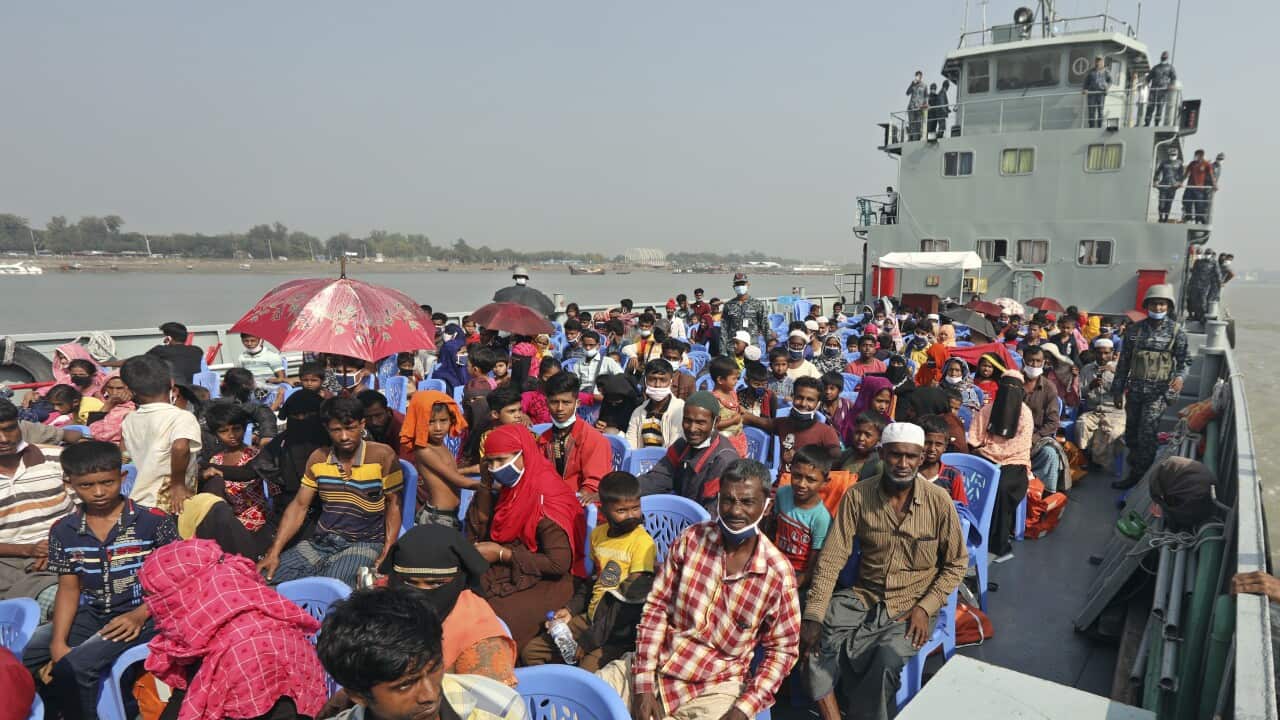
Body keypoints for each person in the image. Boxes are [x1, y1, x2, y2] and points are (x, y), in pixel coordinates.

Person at [598, 459, 801, 720]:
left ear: (766, 506)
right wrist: (643, 686)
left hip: (715, 686)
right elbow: (656, 609)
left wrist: (743, 709)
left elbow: (782, 651)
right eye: (727, 500)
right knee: (586, 702)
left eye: (747, 502)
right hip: (658, 663)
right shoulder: (690, 540)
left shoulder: (778, 574)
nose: (735, 511)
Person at [801, 422, 966, 720]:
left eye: (911, 456)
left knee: (886, 659)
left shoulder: (938, 501)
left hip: (912, 604)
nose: (903, 463)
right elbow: (832, 558)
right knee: (814, 639)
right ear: (882, 454)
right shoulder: (858, 496)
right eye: (895, 455)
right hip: (864, 595)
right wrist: (814, 614)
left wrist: (925, 607)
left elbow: (956, 564)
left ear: (920, 458)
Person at [24, 441, 179, 720]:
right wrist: (58, 643)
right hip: (94, 612)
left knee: (77, 666)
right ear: (69, 484)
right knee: (20, 653)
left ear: (122, 477)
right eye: (86, 485)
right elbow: (69, 589)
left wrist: (141, 613)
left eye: (107, 482)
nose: (98, 492)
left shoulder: (153, 521)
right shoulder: (63, 531)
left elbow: (180, 579)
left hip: (148, 614)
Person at [139, 538, 327, 720]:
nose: (151, 606)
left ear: (186, 593)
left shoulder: (248, 651)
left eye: (155, 596)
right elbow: (184, 694)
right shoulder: (205, 628)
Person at [316, 587, 527, 720]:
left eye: (434, 668)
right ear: (358, 695)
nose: (430, 695)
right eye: (405, 685)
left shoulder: (499, 709)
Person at [258, 397, 404, 587]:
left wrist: (387, 551)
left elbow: (394, 504)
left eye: (350, 428)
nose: (344, 437)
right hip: (321, 542)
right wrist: (274, 551)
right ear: (327, 429)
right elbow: (299, 506)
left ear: (362, 424)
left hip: (364, 543)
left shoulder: (382, 455)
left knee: (330, 586)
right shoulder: (318, 458)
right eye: (336, 430)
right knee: (262, 578)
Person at [465, 425, 586, 649]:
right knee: (464, 592)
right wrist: (485, 483)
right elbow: (481, 530)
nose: (495, 468)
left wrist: (503, 554)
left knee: (497, 617)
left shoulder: (545, 497)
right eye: (490, 462)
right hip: (519, 565)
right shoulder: (512, 488)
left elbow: (558, 563)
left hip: (555, 579)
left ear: (524, 454)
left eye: (501, 460)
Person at [522, 471, 657, 671]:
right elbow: (594, 580)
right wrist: (570, 610)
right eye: (622, 510)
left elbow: (629, 606)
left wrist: (587, 642)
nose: (631, 516)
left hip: (618, 632)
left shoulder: (643, 543)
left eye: (635, 508)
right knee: (532, 652)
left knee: (586, 672)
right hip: (591, 619)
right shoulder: (598, 535)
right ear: (604, 509)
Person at [380, 525, 517, 684]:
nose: (421, 593)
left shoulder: (481, 640)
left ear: (460, 580)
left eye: (436, 583)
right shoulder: (383, 607)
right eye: (410, 583)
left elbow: (491, 697)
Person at [1111, 284, 1190, 489]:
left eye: (1162, 304)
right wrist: (1118, 391)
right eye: (1154, 303)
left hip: (1158, 394)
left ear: (1168, 306)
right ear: (1147, 305)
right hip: (1135, 391)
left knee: (1147, 434)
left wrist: (1180, 378)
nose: (1158, 307)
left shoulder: (1176, 332)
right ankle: (1135, 466)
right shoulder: (1134, 330)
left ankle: (1140, 478)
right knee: (1131, 433)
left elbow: (1185, 361)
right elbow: (1124, 363)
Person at [0, 398, 73, 615]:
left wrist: (60, 546)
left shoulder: (56, 458)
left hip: (64, 549)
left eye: (9, 429)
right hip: (6, 561)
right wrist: (27, 550)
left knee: (59, 600)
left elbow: (90, 511)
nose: (4, 439)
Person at [120, 354, 203, 513]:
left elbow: (128, 453)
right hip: (168, 500)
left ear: (129, 390)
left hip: (140, 498)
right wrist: (178, 484)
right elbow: (180, 447)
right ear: (171, 383)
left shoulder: (129, 420)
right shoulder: (181, 416)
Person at [637, 392, 741, 513]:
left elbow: (713, 511)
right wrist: (625, 490)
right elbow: (657, 478)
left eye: (700, 423)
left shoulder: (723, 461)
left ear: (716, 422)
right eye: (687, 421)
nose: (692, 429)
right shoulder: (682, 444)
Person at [968, 370, 1034, 560]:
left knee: (1003, 487)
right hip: (986, 454)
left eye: (1014, 387)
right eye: (1006, 386)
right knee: (971, 482)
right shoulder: (987, 410)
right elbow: (975, 436)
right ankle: (972, 532)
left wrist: (996, 454)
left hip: (1014, 460)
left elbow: (1020, 445)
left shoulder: (1025, 414)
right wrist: (985, 451)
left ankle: (997, 541)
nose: (1009, 391)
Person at [199, 401, 274, 549]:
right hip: (228, 520)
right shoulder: (215, 460)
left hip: (256, 521)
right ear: (215, 434)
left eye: (236, 429)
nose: (231, 435)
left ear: (244, 428)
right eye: (223, 431)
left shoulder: (256, 456)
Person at [401, 390, 478, 528]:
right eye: (430, 422)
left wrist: (472, 469)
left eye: (443, 421)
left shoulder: (440, 444)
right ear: (420, 423)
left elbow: (448, 473)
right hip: (438, 518)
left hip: (448, 515)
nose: (438, 428)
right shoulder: (424, 450)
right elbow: (457, 480)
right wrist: (490, 486)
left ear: (451, 420)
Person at [537, 372, 611, 504]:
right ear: (546, 403)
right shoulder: (543, 438)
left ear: (577, 403)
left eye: (566, 402)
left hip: (579, 506)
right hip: (548, 500)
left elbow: (593, 485)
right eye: (554, 402)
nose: (560, 408)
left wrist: (573, 502)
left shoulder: (594, 439)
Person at [751, 377, 840, 481]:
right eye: (799, 398)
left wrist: (803, 459)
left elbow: (836, 458)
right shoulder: (783, 423)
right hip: (781, 483)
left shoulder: (826, 432)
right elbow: (763, 422)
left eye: (810, 400)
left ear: (818, 404)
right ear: (793, 398)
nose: (803, 404)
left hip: (806, 486)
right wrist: (743, 414)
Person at [772, 445, 833, 590]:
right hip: (776, 562)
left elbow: (813, 565)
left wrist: (795, 584)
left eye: (810, 480)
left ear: (825, 482)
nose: (801, 484)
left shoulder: (822, 518)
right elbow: (771, 528)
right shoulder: (782, 494)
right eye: (797, 476)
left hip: (798, 574)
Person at [1019, 346, 1065, 494]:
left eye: (1038, 361)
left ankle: (1045, 495)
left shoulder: (1049, 387)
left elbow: (1053, 422)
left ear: (1043, 363)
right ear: (1023, 361)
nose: (1034, 364)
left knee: (1050, 454)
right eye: (1030, 361)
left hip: (1036, 438)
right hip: (1013, 436)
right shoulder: (1014, 382)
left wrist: (1033, 438)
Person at [1078, 338, 1126, 467]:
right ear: (1094, 353)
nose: (1102, 357)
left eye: (1106, 353)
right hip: (1093, 411)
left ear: (1112, 353)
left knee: (1113, 433)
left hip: (1115, 412)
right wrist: (1090, 386)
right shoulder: (1087, 369)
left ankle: (1099, 461)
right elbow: (1079, 393)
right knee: (1082, 424)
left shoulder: (1121, 369)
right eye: (1099, 353)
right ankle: (1085, 457)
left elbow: (1129, 388)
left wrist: (1115, 373)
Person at [626, 359, 686, 450]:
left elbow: (674, 448)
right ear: (645, 381)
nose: (657, 385)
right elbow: (631, 444)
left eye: (663, 380)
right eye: (652, 379)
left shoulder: (679, 409)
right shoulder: (639, 412)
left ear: (671, 381)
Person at [219, 367, 279, 446]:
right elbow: (265, 413)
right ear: (246, 386)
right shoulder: (248, 403)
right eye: (253, 381)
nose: (255, 383)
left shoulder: (217, 403)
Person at [918, 415, 968, 504]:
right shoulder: (910, 471)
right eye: (927, 443)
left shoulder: (952, 475)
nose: (932, 449)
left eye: (938, 444)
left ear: (945, 447)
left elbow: (960, 508)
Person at [720, 273, 770, 357]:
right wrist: (722, 350)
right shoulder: (728, 305)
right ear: (734, 287)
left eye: (742, 283)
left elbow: (765, 326)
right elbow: (723, 329)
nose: (740, 286)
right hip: (733, 348)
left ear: (748, 284)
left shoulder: (757, 304)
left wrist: (769, 344)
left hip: (752, 347)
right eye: (737, 284)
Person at [708, 356, 748, 457]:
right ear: (720, 380)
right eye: (734, 379)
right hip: (724, 443)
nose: (736, 381)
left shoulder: (732, 393)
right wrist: (732, 421)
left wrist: (740, 408)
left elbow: (734, 406)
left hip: (738, 438)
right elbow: (713, 425)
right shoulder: (714, 400)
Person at [86, 373, 135, 445]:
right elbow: (89, 429)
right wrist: (107, 405)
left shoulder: (136, 407)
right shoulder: (99, 402)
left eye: (119, 388)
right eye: (110, 388)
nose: (114, 392)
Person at [574, 331, 624, 396]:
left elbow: (621, 377)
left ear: (598, 345)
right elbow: (574, 383)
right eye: (585, 345)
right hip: (583, 396)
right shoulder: (578, 363)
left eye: (591, 345)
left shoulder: (608, 361)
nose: (588, 348)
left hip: (603, 395)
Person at [1183, 149, 1219, 224]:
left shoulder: (1206, 164)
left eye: (1196, 155)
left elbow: (1211, 175)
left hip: (1199, 189)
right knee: (1186, 202)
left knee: (1199, 205)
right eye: (1195, 155)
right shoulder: (1192, 163)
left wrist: (1214, 185)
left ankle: (1198, 219)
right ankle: (1188, 217)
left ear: (1201, 156)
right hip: (1190, 187)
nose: (1195, 157)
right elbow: (1186, 174)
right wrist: (1180, 182)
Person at [1145, 50, 1176, 126]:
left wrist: (1171, 85)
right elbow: (1148, 78)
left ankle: (1157, 123)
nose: (1163, 57)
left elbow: (1174, 78)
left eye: (1165, 56)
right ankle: (1147, 123)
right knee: (1150, 108)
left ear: (1167, 58)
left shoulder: (1170, 68)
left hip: (1163, 91)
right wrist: (1146, 84)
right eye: (1163, 56)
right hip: (1153, 90)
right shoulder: (1155, 68)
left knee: (1160, 108)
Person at [1153, 148, 1184, 223]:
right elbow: (1158, 172)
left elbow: (1181, 175)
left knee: (1168, 204)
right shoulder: (1164, 162)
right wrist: (1156, 181)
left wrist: (1179, 183)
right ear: (1169, 154)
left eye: (1174, 154)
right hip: (1163, 185)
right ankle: (1160, 217)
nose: (1173, 156)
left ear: (1177, 155)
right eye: (1171, 154)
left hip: (1172, 187)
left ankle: (1166, 218)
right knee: (1161, 204)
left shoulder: (1179, 163)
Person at [1082, 56, 1112, 128]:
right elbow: (1086, 82)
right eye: (1097, 61)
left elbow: (1110, 81)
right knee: (1091, 111)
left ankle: (1099, 126)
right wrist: (1085, 89)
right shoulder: (1090, 72)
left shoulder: (1106, 72)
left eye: (1100, 61)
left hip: (1101, 93)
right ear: (1095, 62)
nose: (1099, 63)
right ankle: (1091, 127)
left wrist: (1107, 87)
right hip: (1091, 93)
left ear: (1103, 62)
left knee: (1100, 111)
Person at [905, 70, 928, 140]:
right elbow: (907, 93)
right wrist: (912, 84)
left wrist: (925, 104)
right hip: (911, 108)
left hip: (919, 108)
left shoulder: (924, 85)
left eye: (919, 76)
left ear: (921, 77)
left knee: (918, 125)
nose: (918, 77)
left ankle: (917, 138)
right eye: (917, 76)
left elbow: (926, 96)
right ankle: (911, 138)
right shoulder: (913, 85)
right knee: (911, 125)